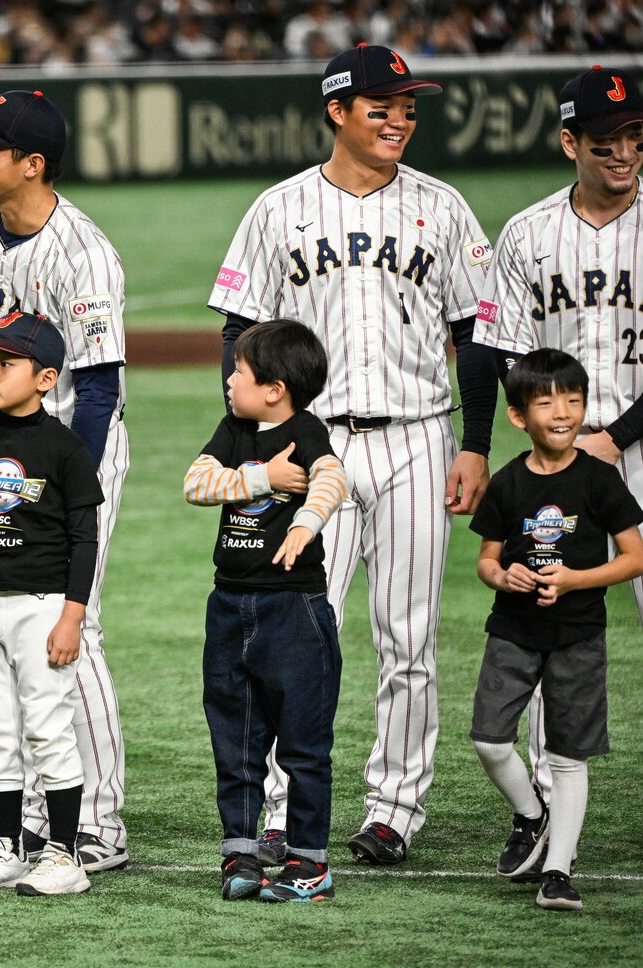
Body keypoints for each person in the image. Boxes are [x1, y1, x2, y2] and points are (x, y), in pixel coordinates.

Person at [207, 44, 499, 866]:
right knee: (291, 635)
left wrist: (475, 444)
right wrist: (248, 451)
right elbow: (239, 333)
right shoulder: (279, 209)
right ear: (337, 111)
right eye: (382, 108)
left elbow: (476, 337)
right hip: (312, 447)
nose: (400, 121)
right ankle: (276, 811)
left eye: (408, 109)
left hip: (416, 436)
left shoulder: (442, 208)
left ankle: (394, 811)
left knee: (408, 638)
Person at [0, 89, 131, 872]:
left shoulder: (84, 253)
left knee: (65, 631)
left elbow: (100, 386)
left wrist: (62, 486)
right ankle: (26, 824)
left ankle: (100, 825)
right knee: (6, 631)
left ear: (33, 164)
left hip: (70, 460)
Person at [474, 64, 643, 826]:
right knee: (548, 619)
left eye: (635, 136)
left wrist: (618, 436)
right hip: (557, 457)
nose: (624, 152)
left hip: (634, 447)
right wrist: (490, 445)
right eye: (607, 139)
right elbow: (500, 353)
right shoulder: (528, 234)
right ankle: (544, 819)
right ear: (570, 140)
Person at [468, 348, 643, 912]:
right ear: (519, 416)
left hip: (579, 634)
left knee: (568, 757)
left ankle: (559, 871)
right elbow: (487, 560)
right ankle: (530, 813)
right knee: (489, 741)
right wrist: (504, 576)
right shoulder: (508, 483)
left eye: (574, 399)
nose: (563, 411)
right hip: (513, 632)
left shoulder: (600, 479)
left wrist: (574, 580)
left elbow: (635, 557)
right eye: (547, 402)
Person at [183, 319, 349, 902]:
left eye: (241, 372)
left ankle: (310, 864)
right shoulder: (235, 430)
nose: (230, 380)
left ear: (275, 388)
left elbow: (333, 478)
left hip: (292, 609)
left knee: (304, 743)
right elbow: (196, 484)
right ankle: (241, 855)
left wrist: (305, 523)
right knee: (237, 738)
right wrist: (264, 477)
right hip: (229, 604)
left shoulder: (308, 431)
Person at [0, 312, 103, 897]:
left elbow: (85, 538)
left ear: (45, 378)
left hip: (41, 606)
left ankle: (64, 856)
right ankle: (7, 847)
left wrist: (72, 616)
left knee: (48, 729)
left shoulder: (64, 448)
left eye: (5, 364)